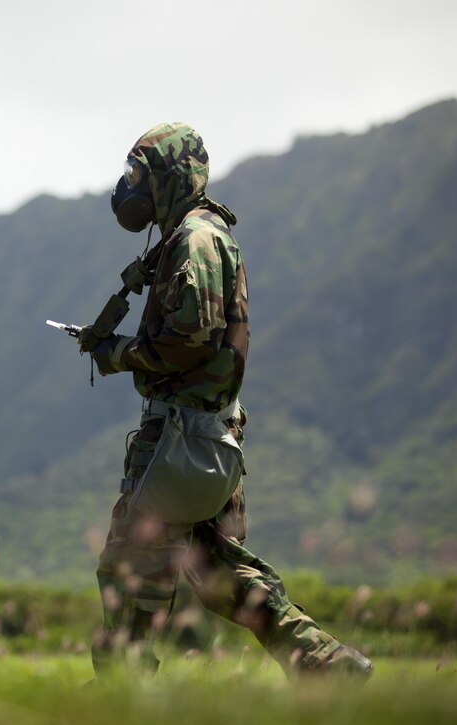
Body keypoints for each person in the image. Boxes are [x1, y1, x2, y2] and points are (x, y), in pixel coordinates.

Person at [80, 122, 372, 678]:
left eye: (141, 175)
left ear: (169, 178)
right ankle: (324, 663)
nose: (129, 187)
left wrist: (120, 353)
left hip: (181, 442)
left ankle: (125, 694)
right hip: (207, 437)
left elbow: (192, 337)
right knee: (217, 570)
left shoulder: (194, 239)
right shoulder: (196, 235)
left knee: (129, 572)